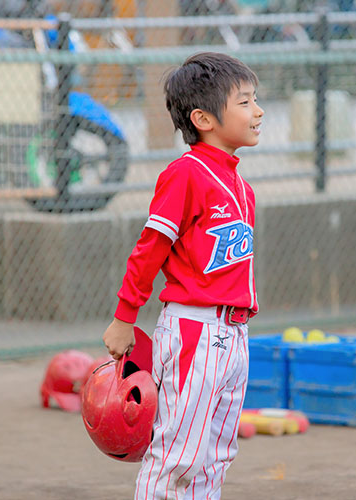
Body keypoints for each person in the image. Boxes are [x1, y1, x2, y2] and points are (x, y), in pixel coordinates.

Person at [101, 52, 263, 499]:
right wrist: (123, 317)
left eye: (256, 101)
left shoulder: (241, 186)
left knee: (216, 454)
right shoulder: (186, 174)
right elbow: (149, 250)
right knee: (180, 454)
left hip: (235, 334)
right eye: (246, 102)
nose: (259, 111)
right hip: (197, 328)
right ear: (204, 118)